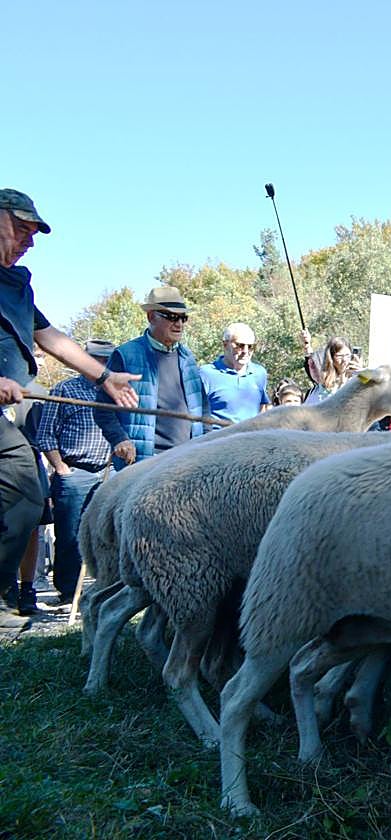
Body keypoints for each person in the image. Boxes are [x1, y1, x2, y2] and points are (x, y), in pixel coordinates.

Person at [0, 190, 138, 616]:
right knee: (26, 487)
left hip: (9, 413)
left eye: (33, 232)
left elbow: (51, 337)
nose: (30, 240)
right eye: (22, 228)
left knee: (28, 497)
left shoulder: (16, 286)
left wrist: (104, 376)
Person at [33, 339, 116, 602]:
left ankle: (104, 586)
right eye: (97, 359)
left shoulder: (115, 392)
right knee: (70, 535)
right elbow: (45, 435)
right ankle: (69, 591)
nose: (102, 364)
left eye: (106, 360)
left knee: (106, 533)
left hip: (109, 470)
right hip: (75, 471)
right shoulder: (64, 390)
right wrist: (61, 468)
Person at [94, 286, 208, 469]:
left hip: (188, 459)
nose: (179, 324)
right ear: (151, 317)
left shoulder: (188, 358)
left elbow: (203, 409)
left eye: (183, 317)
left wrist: (205, 444)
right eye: (171, 317)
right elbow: (102, 409)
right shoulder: (125, 355)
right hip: (143, 463)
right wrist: (119, 439)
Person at [198, 322, 270, 424]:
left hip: (250, 437)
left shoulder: (259, 373)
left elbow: (262, 407)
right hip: (219, 437)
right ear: (225, 345)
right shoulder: (206, 374)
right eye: (239, 345)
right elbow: (196, 410)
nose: (245, 351)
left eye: (250, 347)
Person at [300, 331, 361, 403]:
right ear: (331, 358)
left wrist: (361, 373)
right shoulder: (323, 383)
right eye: (340, 356)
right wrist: (307, 345)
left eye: (347, 355)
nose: (344, 360)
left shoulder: (359, 377)